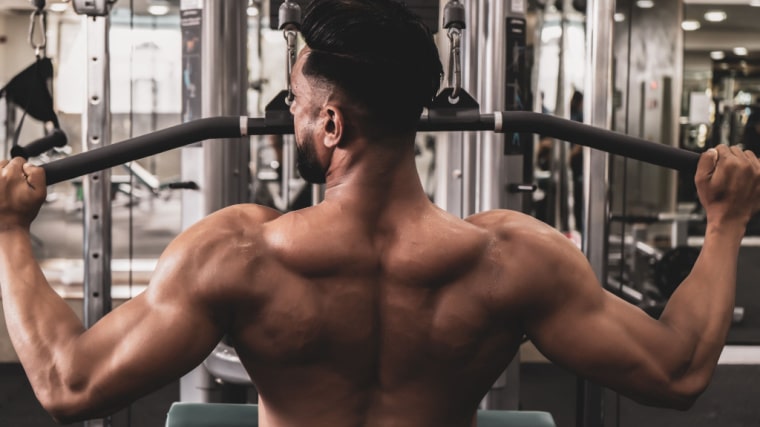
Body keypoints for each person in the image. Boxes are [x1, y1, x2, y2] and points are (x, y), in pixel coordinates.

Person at [1, 1, 759, 426]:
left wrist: (8, 231)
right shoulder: (508, 258)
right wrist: (725, 223)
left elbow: (70, 384)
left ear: (331, 126)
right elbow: (682, 368)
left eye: (296, 106)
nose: (288, 118)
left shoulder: (239, 252)